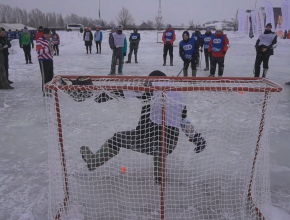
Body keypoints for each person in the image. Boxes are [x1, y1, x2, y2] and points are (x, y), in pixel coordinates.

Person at [80, 70, 207, 184]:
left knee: (116, 139)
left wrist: (104, 96)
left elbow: (126, 91)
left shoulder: (150, 89)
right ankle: (159, 179)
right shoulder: (178, 95)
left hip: (146, 141)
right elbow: (184, 120)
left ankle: (94, 162)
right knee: (160, 147)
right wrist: (196, 138)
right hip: (169, 144)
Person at [36, 28, 54, 96]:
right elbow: (39, 51)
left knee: (50, 76)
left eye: (49, 34)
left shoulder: (49, 41)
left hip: (50, 60)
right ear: (44, 34)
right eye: (47, 34)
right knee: (45, 76)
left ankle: (49, 89)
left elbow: (51, 50)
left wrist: (52, 51)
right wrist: (49, 50)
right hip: (43, 60)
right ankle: (45, 91)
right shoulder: (40, 40)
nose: (48, 35)